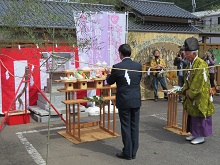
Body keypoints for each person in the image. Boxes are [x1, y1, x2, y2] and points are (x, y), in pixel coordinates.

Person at [106, 44, 142, 160]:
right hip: (136, 99)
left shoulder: (117, 67)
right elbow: (138, 79)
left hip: (124, 100)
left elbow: (110, 81)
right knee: (134, 126)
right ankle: (133, 152)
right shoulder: (138, 66)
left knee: (126, 126)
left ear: (120, 54)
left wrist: (108, 74)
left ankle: (127, 152)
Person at [181, 37, 215, 145]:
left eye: (187, 53)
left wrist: (189, 92)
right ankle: (195, 133)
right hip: (192, 94)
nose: (185, 55)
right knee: (192, 115)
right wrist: (184, 89)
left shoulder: (201, 64)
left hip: (200, 95)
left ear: (194, 54)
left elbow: (198, 82)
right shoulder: (190, 64)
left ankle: (201, 136)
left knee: (199, 115)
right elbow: (187, 79)